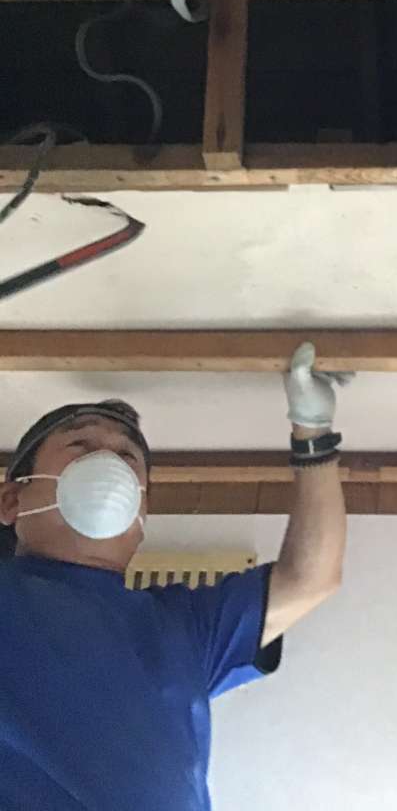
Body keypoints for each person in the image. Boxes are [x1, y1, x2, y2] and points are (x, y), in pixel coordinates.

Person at [0, 341, 351, 811]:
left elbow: (311, 577)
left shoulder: (183, 626)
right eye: (80, 446)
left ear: (141, 509)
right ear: (11, 501)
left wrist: (314, 435)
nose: (108, 464)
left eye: (127, 459)